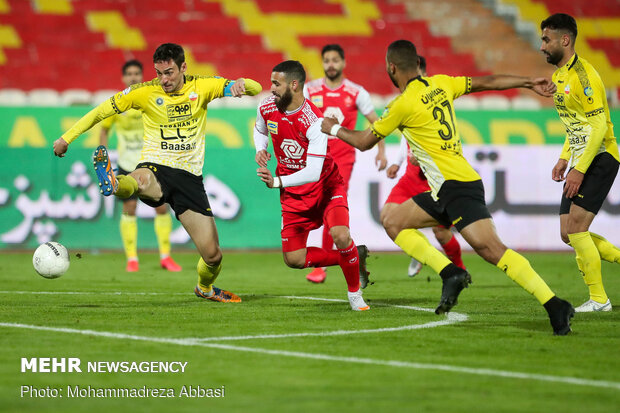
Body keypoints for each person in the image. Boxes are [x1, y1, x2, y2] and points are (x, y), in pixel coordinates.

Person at [321, 39, 575, 335]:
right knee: (392, 218)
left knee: (492, 250)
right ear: (417, 64)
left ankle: (555, 304)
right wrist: (528, 81)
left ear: (392, 68)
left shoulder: (401, 105)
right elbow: (488, 82)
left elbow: (364, 142)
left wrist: (333, 129)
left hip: (457, 186)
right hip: (445, 188)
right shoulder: (441, 84)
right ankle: (450, 271)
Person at [53, 43, 262, 303]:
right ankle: (114, 182)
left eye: (170, 72)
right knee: (139, 180)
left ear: (184, 67)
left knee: (213, 256)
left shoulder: (203, 86)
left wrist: (242, 84)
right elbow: (101, 111)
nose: (164, 80)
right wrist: (66, 138)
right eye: (159, 73)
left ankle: (204, 288)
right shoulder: (144, 92)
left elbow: (257, 88)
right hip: (156, 165)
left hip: (189, 179)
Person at [255, 60, 371, 311]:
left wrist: (276, 181)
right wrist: (260, 149)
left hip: (326, 186)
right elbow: (260, 130)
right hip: (293, 196)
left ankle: (354, 294)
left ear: (294, 85)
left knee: (341, 235)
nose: (271, 88)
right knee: (294, 260)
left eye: (277, 83)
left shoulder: (314, 121)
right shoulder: (266, 106)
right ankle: (353, 256)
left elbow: (313, 172)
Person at [541, 14, 620, 312]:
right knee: (567, 232)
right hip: (580, 156)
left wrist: (579, 169)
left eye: (546, 40)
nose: (542, 47)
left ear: (565, 40)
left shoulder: (584, 76)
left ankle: (599, 299)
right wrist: (565, 157)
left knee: (576, 228)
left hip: (600, 156)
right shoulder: (559, 76)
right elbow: (576, 124)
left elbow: (599, 128)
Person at [302, 44, 387, 284]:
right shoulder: (310, 89)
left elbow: (377, 122)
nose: (331, 64)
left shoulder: (356, 92)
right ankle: (347, 255)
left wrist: (380, 150)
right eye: (327, 60)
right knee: (315, 205)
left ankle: (322, 266)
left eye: (335, 60)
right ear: (322, 63)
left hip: (342, 160)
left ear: (343, 63)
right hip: (316, 156)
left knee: (331, 204)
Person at [384, 56, 464, 277]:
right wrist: (396, 162)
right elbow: (405, 136)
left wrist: (425, 154)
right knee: (389, 216)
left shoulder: (436, 96)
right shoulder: (407, 100)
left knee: (441, 233)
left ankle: (459, 268)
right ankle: (421, 254)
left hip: (434, 179)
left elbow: (449, 138)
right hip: (411, 177)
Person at [99, 59, 182, 273]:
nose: (133, 77)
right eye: (130, 74)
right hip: (127, 164)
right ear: (123, 78)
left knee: (162, 207)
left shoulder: (151, 98)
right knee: (130, 208)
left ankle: (165, 256)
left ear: (142, 76)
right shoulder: (117, 103)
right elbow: (104, 129)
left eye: (137, 73)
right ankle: (132, 258)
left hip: (152, 162)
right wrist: (103, 156)